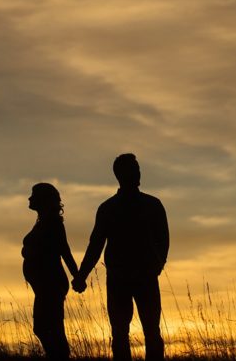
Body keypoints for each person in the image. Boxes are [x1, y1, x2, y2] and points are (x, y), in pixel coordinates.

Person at [72, 153, 169, 361]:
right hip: (119, 279)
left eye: (137, 168)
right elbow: (95, 245)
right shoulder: (108, 209)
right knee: (119, 333)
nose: (138, 172)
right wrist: (81, 275)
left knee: (152, 331)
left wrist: (157, 265)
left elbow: (164, 238)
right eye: (133, 169)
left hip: (145, 276)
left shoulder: (152, 205)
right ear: (120, 175)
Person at [23, 182, 79, 360]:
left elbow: (65, 252)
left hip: (51, 285)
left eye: (33, 195)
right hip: (44, 286)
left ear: (43, 200)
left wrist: (77, 277)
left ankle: (60, 356)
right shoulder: (43, 222)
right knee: (45, 327)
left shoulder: (53, 223)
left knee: (49, 327)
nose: (30, 198)